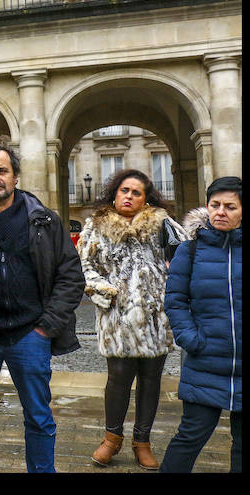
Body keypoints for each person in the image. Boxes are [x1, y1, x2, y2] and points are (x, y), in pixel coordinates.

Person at [0, 141, 84, 473]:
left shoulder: (45, 221)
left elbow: (71, 276)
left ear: (14, 176)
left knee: (39, 417)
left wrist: (47, 326)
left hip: (30, 333)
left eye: (2, 171)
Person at [77, 169, 186, 470]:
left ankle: (143, 441)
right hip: (117, 318)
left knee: (151, 381)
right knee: (118, 379)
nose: (129, 196)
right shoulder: (96, 226)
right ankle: (112, 439)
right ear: (115, 192)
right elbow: (85, 266)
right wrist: (101, 289)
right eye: (125, 190)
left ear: (145, 198)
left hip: (155, 318)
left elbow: (184, 257)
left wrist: (171, 293)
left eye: (136, 192)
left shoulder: (163, 224)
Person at [160, 176, 242, 473]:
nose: (220, 211)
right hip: (205, 361)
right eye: (214, 205)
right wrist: (191, 338)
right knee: (190, 437)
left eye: (230, 206)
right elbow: (176, 300)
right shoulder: (190, 250)